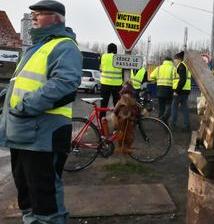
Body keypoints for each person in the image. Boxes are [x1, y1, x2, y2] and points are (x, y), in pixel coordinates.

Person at [0, 1, 82, 223]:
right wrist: (5, 96)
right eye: (32, 14)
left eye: (39, 14)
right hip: (22, 134)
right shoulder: (35, 48)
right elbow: (24, 84)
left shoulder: (65, 46)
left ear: (56, 18)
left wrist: (24, 106)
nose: (33, 17)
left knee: (46, 200)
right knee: (26, 197)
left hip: (43, 136)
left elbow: (65, 84)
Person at [100, 43, 123, 117]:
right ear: (116, 50)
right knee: (117, 106)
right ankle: (117, 124)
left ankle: (101, 123)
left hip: (105, 84)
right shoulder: (119, 57)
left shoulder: (103, 56)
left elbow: (101, 68)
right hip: (117, 85)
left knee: (103, 105)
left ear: (108, 50)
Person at [170, 51, 191, 131]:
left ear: (178, 59)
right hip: (185, 90)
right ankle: (187, 126)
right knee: (184, 108)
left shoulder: (181, 66)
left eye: (175, 59)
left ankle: (173, 125)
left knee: (174, 107)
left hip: (180, 91)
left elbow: (182, 80)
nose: (174, 61)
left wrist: (177, 91)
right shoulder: (185, 66)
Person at [149, 57, 174, 123]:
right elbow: (176, 78)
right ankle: (164, 118)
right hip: (169, 89)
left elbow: (151, 76)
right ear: (171, 61)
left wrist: (157, 79)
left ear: (164, 61)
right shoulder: (173, 68)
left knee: (161, 105)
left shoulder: (159, 68)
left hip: (160, 89)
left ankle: (159, 119)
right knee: (169, 105)